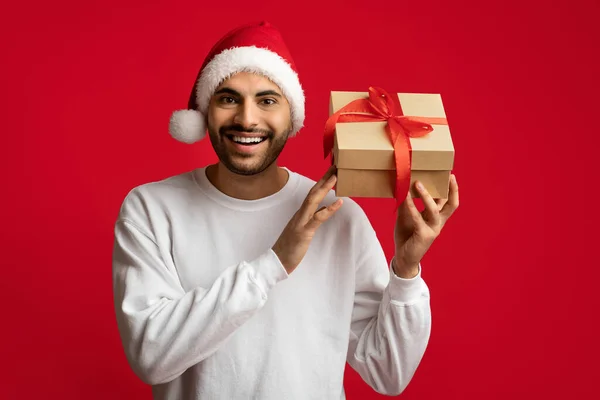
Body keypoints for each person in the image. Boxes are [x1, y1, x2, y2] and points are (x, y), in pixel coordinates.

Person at [112, 21, 459, 400]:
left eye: (267, 100)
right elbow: (150, 355)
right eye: (228, 98)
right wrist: (274, 263)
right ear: (204, 112)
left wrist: (406, 272)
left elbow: (388, 372)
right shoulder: (151, 210)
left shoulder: (339, 215)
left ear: (290, 116)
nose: (247, 119)